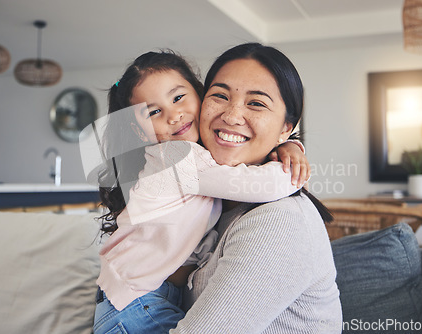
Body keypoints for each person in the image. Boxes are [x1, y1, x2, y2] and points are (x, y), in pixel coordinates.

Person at [90, 50, 312, 334]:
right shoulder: (176, 155)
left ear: (199, 94)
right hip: (137, 305)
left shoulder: (199, 160)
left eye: (179, 98)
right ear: (140, 129)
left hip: (134, 300)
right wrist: (293, 168)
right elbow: (256, 184)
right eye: (154, 112)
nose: (174, 116)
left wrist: (287, 145)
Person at [169, 43, 342, 333]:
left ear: (286, 127)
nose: (232, 115)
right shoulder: (207, 199)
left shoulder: (279, 220)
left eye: (257, 103)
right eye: (220, 96)